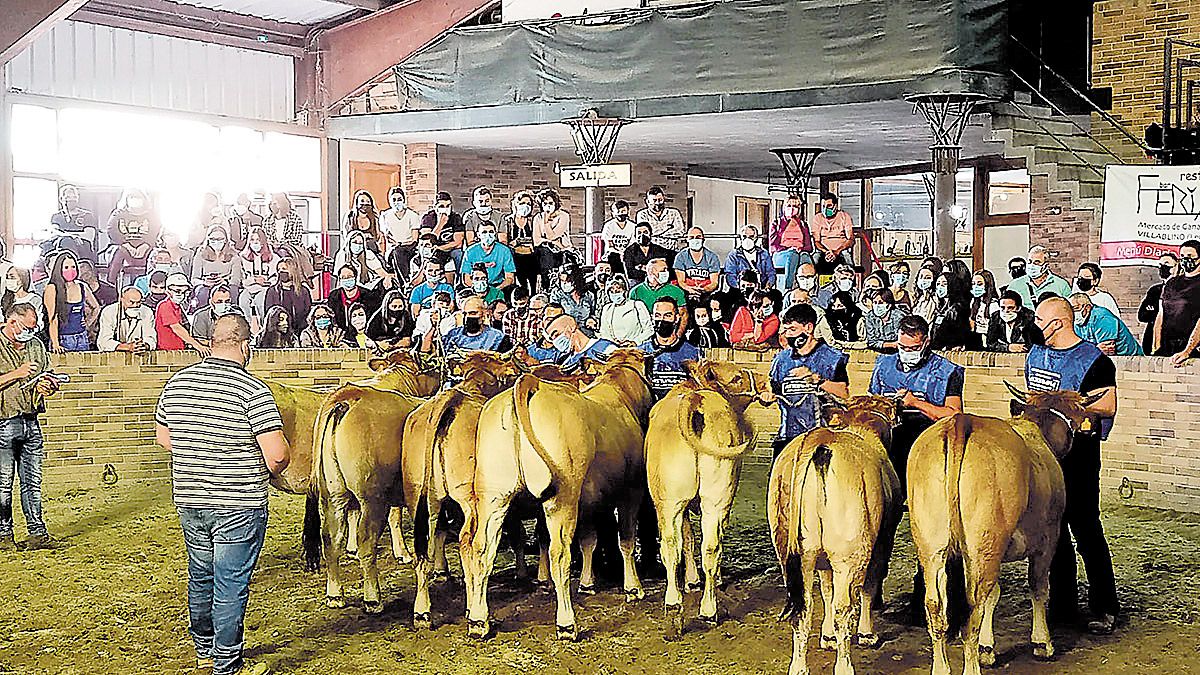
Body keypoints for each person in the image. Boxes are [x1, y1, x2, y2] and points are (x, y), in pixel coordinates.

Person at [155, 313, 290, 675]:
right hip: (238, 502)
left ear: (212, 341)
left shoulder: (178, 383)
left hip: (190, 498)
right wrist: (258, 471)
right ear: (246, 345)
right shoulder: (252, 390)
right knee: (231, 582)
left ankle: (204, 650)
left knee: (201, 574)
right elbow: (277, 455)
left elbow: (165, 439)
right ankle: (227, 664)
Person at [1028, 297, 1120, 634]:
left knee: (1084, 528)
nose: (1034, 324)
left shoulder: (1093, 361)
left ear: (1059, 323)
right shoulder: (1036, 354)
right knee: (1053, 530)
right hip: (1043, 452)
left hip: (1078, 453)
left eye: (1039, 319)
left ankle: (1105, 606)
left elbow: (1108, 405)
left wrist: (1070, 403)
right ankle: (1063, 604)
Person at [0, 303, 62, 550]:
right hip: (3, 419)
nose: (31, 332)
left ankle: (38, 533)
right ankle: (4, 536)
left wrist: (48, 385)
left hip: (30, 418)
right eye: (27, 327)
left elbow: (47, 373)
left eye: (34, 327)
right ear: (11, 322)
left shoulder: (36, 344)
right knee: (3, 484)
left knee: (32, 483)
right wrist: (18, 373)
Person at [764, 303, 850, 457]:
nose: (788, 335)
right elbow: (772, 391)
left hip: (824, 436)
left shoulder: (832, 357)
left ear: (809, 328)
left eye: (793, 330)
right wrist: (766, 397)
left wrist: (818, 380)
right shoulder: (781, 360)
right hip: (788, 435)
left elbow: (844, 393)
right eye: (786, 330)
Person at [637, 297, 701, 400]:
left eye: (667, 315)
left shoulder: (693, 353)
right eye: (657, 315)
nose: (662, 320)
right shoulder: (640, 352)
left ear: (676, 318)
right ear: (652, 317)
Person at [1155, 239, 1200, 365]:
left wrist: (1187, 351)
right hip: (1167, 347)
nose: (1186, 259)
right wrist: (1157, 346)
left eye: (1190, 256)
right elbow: (1161, 315)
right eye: (1183, 256)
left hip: (1192, 351)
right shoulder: (1172, 283)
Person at [43, 251, 99, 353]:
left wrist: (88, 323)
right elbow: (52, 318)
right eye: (66, 267)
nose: (71, 270)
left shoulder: (82, 286)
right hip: (63, 338)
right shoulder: (52, 288)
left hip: (82, 338)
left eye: (73, 267)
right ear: (59, 269)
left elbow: (96, 307)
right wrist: (56, 344)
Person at [1069, 293, 1142, 356]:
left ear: (1088, 307)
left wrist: (1086, 352)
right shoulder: (1077, 323)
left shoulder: (1103, 317)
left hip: (1130, 360)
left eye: (1075, 308)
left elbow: (1107, 349)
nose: (1072, 312)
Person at [191, 225, 242, 311]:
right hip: (205, 284)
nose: (216, 241)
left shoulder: (234, 256)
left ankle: (232, 315)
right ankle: (204, 317)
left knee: (233, 291)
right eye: (213, 239)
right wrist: (204, 282)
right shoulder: (201, 254)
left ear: (225, 240)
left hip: (226, 284)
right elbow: (194, 279)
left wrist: (224, 281)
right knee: (203, 292)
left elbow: (236, 279)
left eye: (220, 239)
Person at [769, 194, 813, 292]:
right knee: (793, 255)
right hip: (781, 254)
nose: (792, 209)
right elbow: (773, 245)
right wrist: (788, 249)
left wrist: (801, 249)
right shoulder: (777, 223)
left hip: (799, 252)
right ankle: (787, 288)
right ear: (784, 207)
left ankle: (809, 288)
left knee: (805, 256)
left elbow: (809, 246)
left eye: (795, 206)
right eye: (789, 206)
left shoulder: (803, 224)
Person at [156, 274, 209, 354]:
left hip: (178, 350)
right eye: (177, 291)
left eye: (184, 292)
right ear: (168, 291)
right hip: (166, 352)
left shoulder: (178, 307)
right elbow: (177, 328)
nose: (181, 295)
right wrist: (197, 346)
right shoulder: (165, 306)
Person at [238, 227, 278, 332]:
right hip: (248, 288)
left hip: (265, 288)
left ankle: (264, 329)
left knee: (260, 301)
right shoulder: (242, 258)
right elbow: (241, 279)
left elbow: (276, 278)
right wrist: (253, 280)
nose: (255, 243)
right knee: (243, 300)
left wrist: (266, 282)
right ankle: (247, 329)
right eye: (252, 240)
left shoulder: (273, 257)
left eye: (258, 240)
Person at [1137, 252, 1178, 355]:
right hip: (1151, 338)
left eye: (1167, 263)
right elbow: (1142, 316)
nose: (1162, 267)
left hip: (1173, 340)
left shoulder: (1182, 289)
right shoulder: (1155, 290)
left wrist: (1154, 311)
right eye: (1160, 265)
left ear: (1176, 266)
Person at [106, 204, 154, 290]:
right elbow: (111, 230)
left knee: (155, 254)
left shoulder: (151, 214)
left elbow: (156, 233)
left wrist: (146, 245)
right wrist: (126, 245)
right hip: (123, 247)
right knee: (118, 252)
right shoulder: (118, 214)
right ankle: (111, 286)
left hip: (146, 249)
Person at [439, 296, 510, 354]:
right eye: (465, 314)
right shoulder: (453, 335)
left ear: (484, 314)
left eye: (473, 313)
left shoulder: (497, 338)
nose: (468, 317)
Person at [532, 189, 573, 289]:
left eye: (550, 203)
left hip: (562, 252)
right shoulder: (538, 217)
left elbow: (553, 235)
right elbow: (537, 240)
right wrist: (552, 242)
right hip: (544, 253)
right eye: (545, 203)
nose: (548, 206)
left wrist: (546, 223)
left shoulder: (564, 216)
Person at [461, 221, 516, 293]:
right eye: (484, 232)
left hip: (498, 286)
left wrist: (494, 291)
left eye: (491, 232)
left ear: (495, 234)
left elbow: (510, 278)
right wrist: (479, 289)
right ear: (478, 235)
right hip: (476, 286)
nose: (488, 235)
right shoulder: (470, 251)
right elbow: (466, 279)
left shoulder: (504, 250)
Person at [501, 190, 539, 294]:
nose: (525, 206)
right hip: (515, 256)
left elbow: (535, 239)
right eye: (522, 203)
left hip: (531, 256)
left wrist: (518, 241)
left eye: (528, 204)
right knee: (521, 283)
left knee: (533, 282)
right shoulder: (508, 221)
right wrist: (523, 242)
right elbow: (506, 241)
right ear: (515, 204)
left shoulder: (532, 221)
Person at [97, 286, 156, 352]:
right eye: (131, 302)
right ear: (122, 299)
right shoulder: (109, 312)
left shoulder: (147, 312)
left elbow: (151, 338)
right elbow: (104, 342)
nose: (135, 305)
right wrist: (127, 347)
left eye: (139, 302)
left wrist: (144, 346)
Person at [599, 274, 653, 347]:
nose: (615, 293)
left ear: (625, 291)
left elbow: (649, 329)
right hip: (615, 348)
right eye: (612, 291)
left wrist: (635, 342)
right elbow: (604, 332)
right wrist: (613, 342)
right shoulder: (607, 309)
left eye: (618, 289)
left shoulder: (637, 305)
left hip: (637, 347)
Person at [544, 314, 615, 369]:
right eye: (552, 339)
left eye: (556, 335)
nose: (556, 341)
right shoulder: (566, 363)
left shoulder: (607, 348)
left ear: (571, 328)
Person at [263, 258, 312, 335]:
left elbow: (307, 314)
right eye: (279, 269)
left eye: (284, 269)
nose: (281, 271)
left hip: (300, 332)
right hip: (278, 333)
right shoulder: (272, 292)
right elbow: (269, 314)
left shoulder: (304, 291)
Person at [380, 187, 422, 277]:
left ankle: (404, 282)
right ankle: (403, 283)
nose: (396, 202)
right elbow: (384, 237)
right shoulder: (385, 216)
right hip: (392, 249)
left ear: (404, 200)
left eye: (399, 199)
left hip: (410, 247)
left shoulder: (413, 215)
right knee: (395, 253)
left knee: (398, 252)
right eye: (394, 200)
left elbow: (414, 239)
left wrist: (400, 243)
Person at [328, 265, 382, 334]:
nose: (346, 279)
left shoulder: (368, 295)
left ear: (355, 277)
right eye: (343, 278)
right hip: (341, 335)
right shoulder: (334, 296)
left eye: (349, 277)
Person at [50, 184, 99, 258]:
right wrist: (71, 236)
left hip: (83, 249)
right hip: (61, 250)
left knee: (67, 241)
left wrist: (67, 235)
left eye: (74, 197)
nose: (71, 200)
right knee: (65, 241)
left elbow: (89, 236)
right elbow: (54, 233)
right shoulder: (57, 216)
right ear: (61, 199)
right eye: (68, 197)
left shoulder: (86, 215)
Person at [673, 226, 721, 302]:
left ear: (703, 239)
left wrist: (704, 289)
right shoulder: (681, 256)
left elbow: (714, 282)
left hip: (706, 294)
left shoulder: (712, 257)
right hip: (686, 292)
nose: (695, 240)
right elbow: (681, 281)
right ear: (687, 240)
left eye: (698, 237)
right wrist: (690, 289)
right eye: (691, 237)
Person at [811, 193, 855, 274]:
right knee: (814, 259)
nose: (825, 209)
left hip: (841, 250)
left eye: (829, 206)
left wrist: (837, 251)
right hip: (823, 251)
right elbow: (816, 241)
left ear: (835, 206)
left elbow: (851, 239)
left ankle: (851, 281)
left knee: (847, 259)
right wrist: (827, 252)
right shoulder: (817, 218)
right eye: (823, 206)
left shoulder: (844, 216)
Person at [622, 222, 675, 286]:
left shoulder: (660, 250)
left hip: (657, 281)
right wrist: (651, 271)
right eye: (639, 233)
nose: (642, 235)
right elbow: (631, 273)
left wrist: (643, 267)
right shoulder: (629, 251)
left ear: (651, 234)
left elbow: (665, 268)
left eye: (645, 232)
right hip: (638, 283)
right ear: (635, 236)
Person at [422, 192, 466, 267]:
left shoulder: (456, 218)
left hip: (450, 249)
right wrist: (440, 224)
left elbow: (458, 243)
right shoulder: (428, 218)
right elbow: (427, 241)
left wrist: (440, 247)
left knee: (459, 254)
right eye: (442, 206)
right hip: (433, 250)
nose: (445, 209)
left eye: (448, 206)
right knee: (428, 253)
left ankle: (461, 278)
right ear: (435, 207)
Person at [636, 186, 686, 251]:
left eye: (660, 200)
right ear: (647, 201)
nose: (657, 203)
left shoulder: (674, 213)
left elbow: (680, 231)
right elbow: (645, 233)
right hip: (651, 251)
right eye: (654, 200)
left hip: (672, 250)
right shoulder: (642, 214)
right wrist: (668, 228)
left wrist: (656, 234)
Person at [549, 265, 595, 330]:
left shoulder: (589, 296)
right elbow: (554, 317)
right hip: (566, 332)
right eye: (562, 281)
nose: (564, 284)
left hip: (586, 333)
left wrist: (591, 320)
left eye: (568, 281)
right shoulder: (557, 294)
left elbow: (594, 314)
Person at [862, 287, 905, 352]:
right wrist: (891, 344)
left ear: (889, 305)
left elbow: (900, 341)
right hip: (877, 351)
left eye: (880, 303)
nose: (877, 305)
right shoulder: (870, 317)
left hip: (897, 351)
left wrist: (883, 344)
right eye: (875, 302)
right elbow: (871, 342)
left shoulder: (899, 317)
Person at [343, 190, 384, 255]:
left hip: (371, 249)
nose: (365, 204)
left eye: (368, 201)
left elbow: (378, 237)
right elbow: (347, 236)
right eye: (362, 201)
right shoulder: (350, 216)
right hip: (353, 249)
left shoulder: (375, 217)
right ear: (357, 203)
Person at [601, 200, 637, 275]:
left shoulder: (633, 226)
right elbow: (609, 245)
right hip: (612, 254)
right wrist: (620, 253)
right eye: (618, 211)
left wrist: (625, 254)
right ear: (613, 213)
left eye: (623, 211)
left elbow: (632, 244)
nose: (621, 213)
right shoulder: (609, 225)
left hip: (627, 254)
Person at [969, 270, 1001, 350]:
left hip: (990, 342)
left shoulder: (994, 304)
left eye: (979, 284)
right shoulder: (974, 302)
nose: (975, 286)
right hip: (977, 340)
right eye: (973, 284)